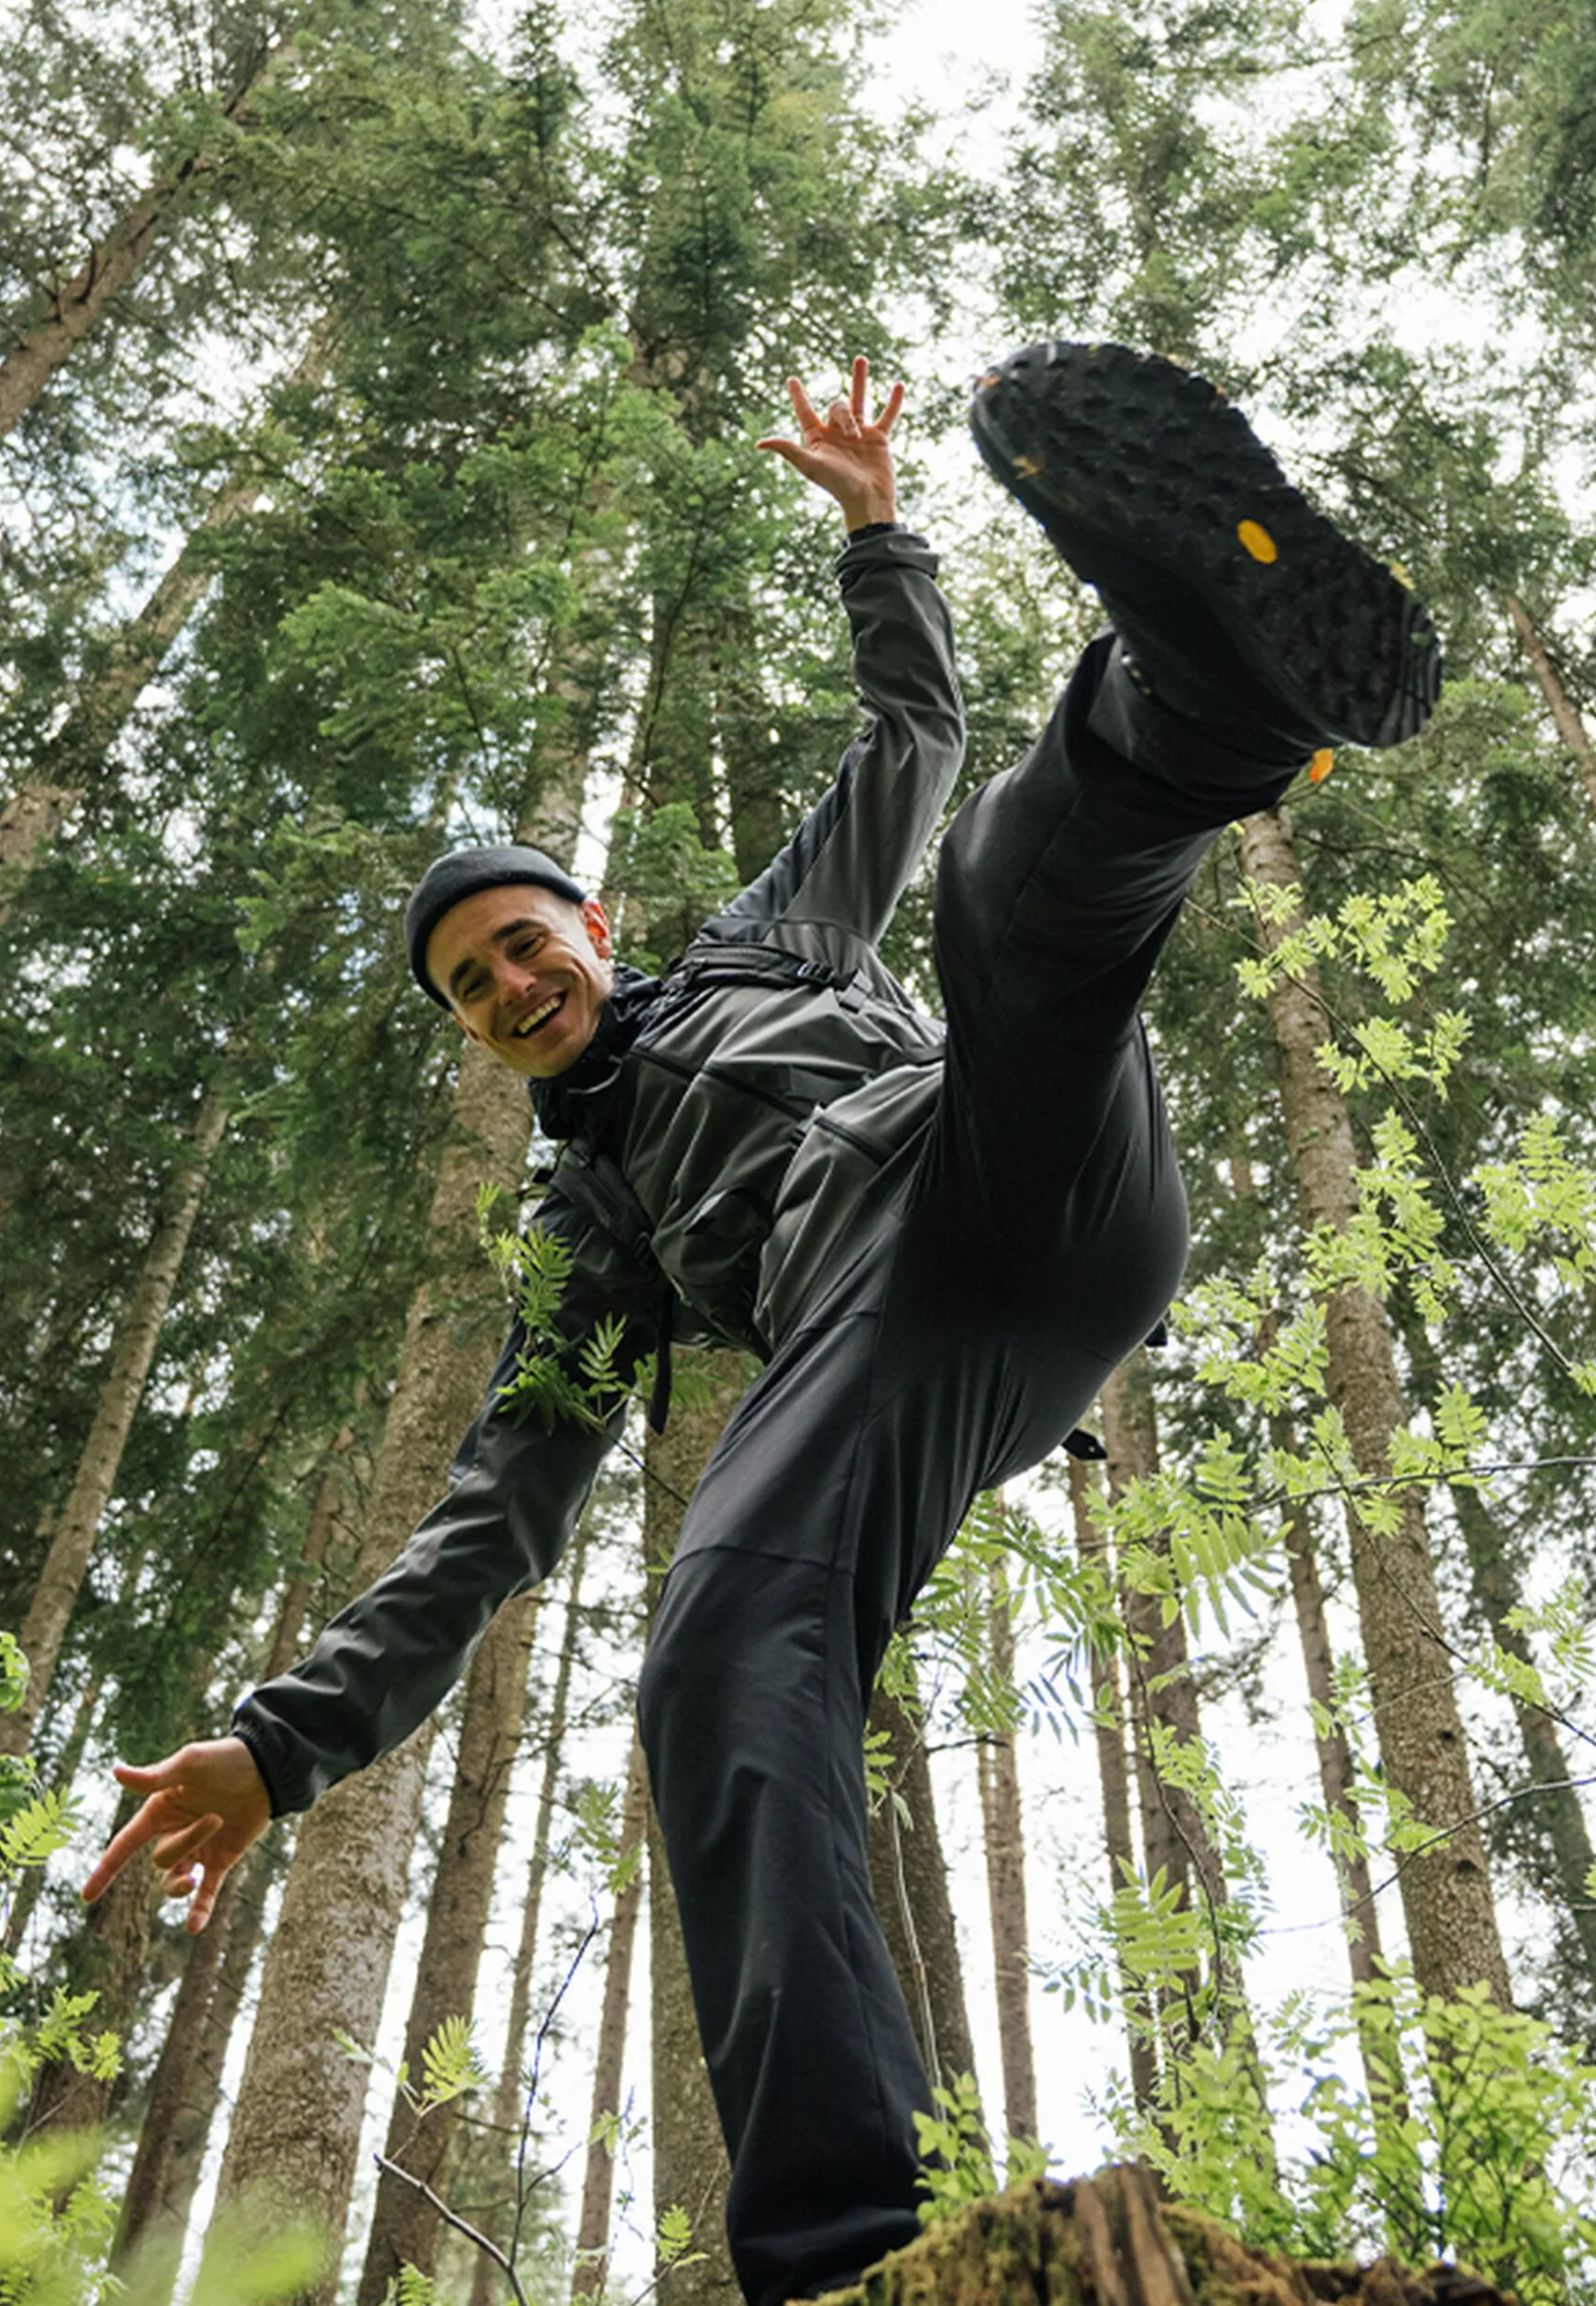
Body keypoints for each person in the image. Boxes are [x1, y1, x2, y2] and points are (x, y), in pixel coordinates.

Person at [85, 342, 1439, 2305]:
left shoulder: (764, 936)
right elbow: (492, 1518)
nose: (513, 985)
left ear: (591, 926)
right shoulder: (589, 1232)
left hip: (1011, 1156)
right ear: (474, 1031)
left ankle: (1212, 697)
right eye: (474, 987)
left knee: (1000, 892)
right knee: (719, 1642)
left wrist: (878, 531)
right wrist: (283, 1748)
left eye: (524, 941)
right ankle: (845, 2255)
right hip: (909, 1333)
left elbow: (915, 733)